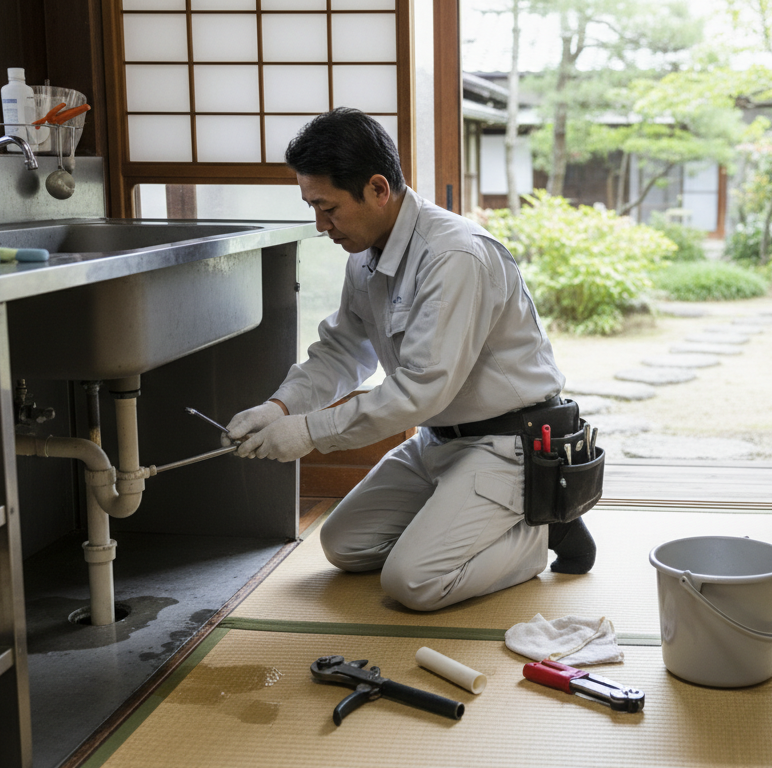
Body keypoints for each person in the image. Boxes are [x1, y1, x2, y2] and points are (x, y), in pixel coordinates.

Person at [224, 108, 596, 612]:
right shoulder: (364, 254)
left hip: (509, 442)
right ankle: (464, 518)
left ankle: (539, 527)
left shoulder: (455, 256)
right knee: (344, 546)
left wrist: (311, 433)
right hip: (437, 441)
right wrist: (280, 409)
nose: (320, 225)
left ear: (378, 188)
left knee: (412, 583)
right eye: (312, 207)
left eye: (328, 208)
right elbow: (340, 352)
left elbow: (421, 389)